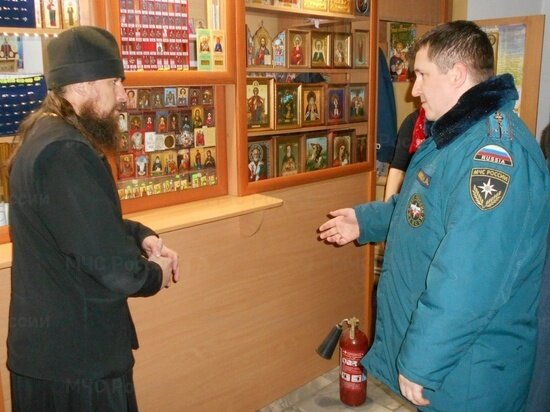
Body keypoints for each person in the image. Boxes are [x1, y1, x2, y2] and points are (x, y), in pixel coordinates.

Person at [319, 21, 549, 410]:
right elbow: (421, 212)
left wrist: (425, 360)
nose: (414, 89)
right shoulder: (455, 136)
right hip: (452, 363)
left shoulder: (493, 155)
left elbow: (471, 276)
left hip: (468, 372)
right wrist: (366, 221)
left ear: (457, 74)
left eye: (423, 75)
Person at [7, 26, 180, 412]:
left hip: (55, 358)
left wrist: (140, 237)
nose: (123, 95)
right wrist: (156, 272)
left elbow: (81, 226)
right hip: (76, 364)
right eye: (115, 82)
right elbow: (116, 271)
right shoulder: (65, 151)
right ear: (83, 85)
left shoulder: (46, 135)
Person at [384, 107, 426, 201]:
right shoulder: (412, 121)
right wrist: (388, 208)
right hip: (415, 199)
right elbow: (397, 170)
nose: (415, 93)